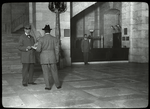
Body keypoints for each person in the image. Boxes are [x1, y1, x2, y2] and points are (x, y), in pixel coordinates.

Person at [32, 25, 61, 90]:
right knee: (55, 71)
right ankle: (58, 85)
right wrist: (57, 58)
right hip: (52, 57)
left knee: (45, 72)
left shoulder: (41, 39)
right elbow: (57, 50)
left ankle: (48, 86)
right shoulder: (54, 38)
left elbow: (39, 50)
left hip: (44, 57)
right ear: (50, 31)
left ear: (44, 31)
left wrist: (35, 48)